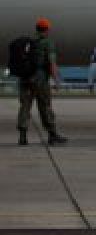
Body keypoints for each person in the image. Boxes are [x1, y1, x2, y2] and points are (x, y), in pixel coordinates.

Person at [16, 18, 67, 146]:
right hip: (40, 80)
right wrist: (56, 80)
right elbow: (51, 62)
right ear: (47, 29)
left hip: (25, 79)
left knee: (25, 107)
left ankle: (23, 136)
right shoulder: (47, 42)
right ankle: (52, 134)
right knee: (45, 107)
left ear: (37, 29)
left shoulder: (29, 43)